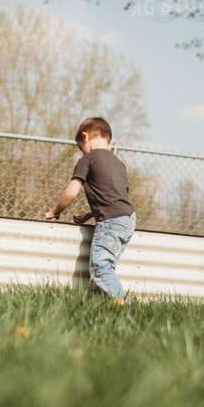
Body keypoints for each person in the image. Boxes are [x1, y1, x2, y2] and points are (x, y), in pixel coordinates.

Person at [44, 117, 136, 302]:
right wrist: (90, 213)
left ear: (85, 137)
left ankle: (126, 307)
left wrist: (55, 211)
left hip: (111, 222)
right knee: (107, 267)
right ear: (108, 141)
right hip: (128, 219)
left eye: (80, 147)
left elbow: (71, 192)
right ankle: (106, 304)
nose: (81, 151)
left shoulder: (88, 159)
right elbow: (115, 196)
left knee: (100, 267)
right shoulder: (118, 163)